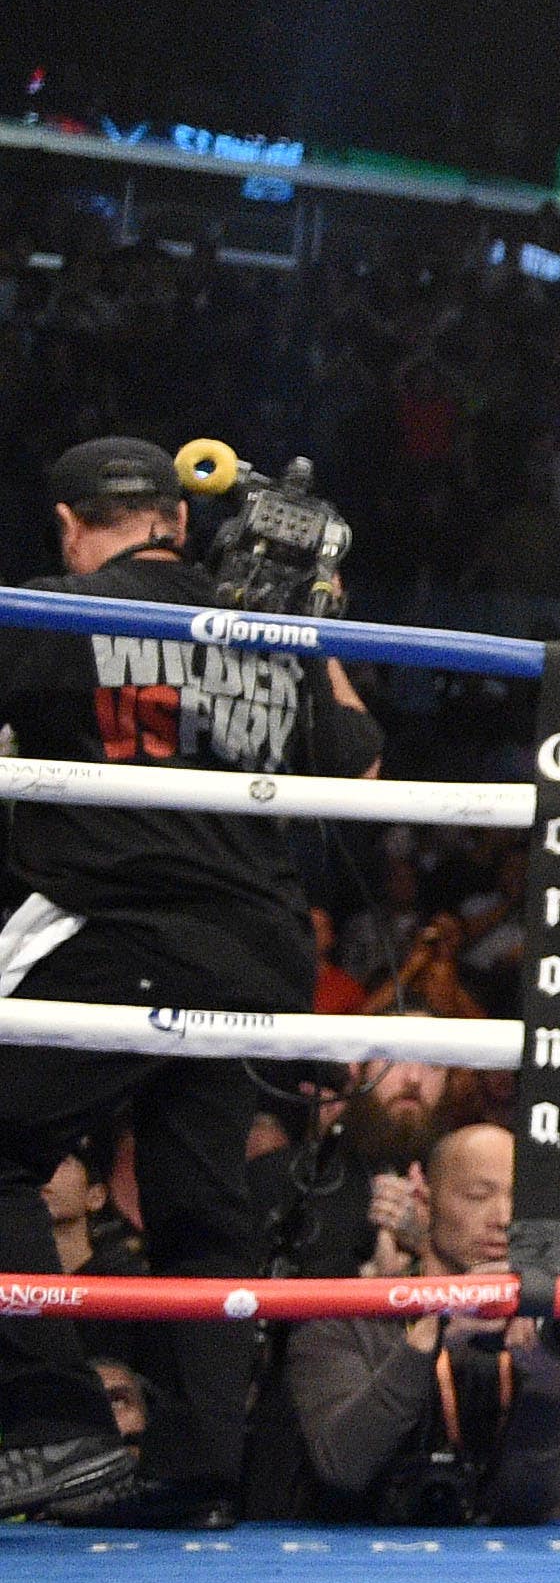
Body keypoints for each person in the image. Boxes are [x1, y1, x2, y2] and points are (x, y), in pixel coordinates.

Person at [0, 434, 386, 1526]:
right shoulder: (261, 626)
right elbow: (357, 761)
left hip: (119, 923)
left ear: (74, 525)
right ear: (177, 517)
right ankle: (195, 1466)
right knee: (198, 1198)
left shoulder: (58, 610)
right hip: (259, 948)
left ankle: (54, 1425)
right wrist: (311, 621)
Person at [285, 1124, 560, 1527]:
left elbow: (526, 1502)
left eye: (519, 1200)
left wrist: (549, 1390)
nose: (502, 1219)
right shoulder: (347, 1316)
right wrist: (430, 1337)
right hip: (349, 1561)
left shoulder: (542, 1326)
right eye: (478, 1196)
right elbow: (344, 1467)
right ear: (425, 1203)